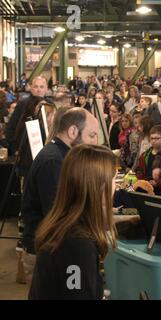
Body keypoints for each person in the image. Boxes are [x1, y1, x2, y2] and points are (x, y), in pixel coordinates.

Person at [29, 144, 117, 300]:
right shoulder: (77, 245)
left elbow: (75, 288)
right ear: (97, 186)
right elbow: (75, 291)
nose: (115, 187)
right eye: (113, 179)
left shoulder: (63, 225)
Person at [21, 108, 99, 284]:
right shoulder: (54, 161)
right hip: (47, 251)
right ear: (73, 131)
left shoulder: (61, 156)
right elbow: (59, 215)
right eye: (92, 135)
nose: (95, 143)